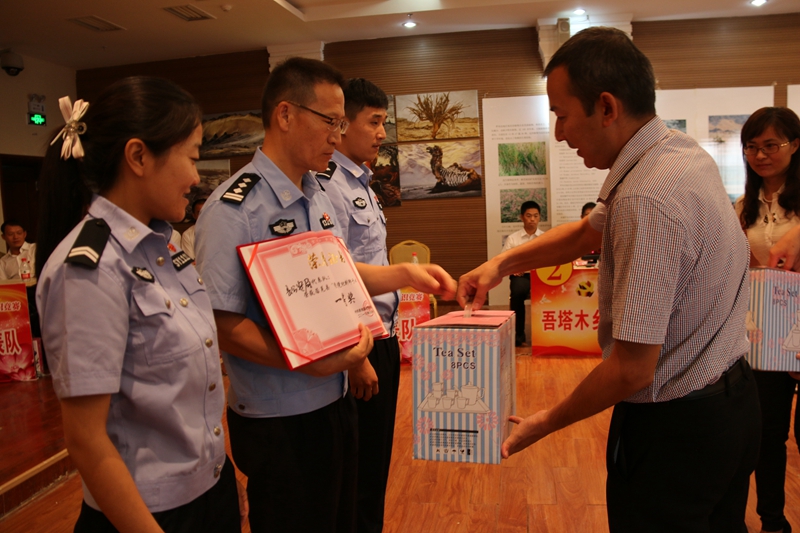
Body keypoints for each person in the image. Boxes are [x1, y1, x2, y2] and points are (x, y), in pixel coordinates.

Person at [456, 27, 759, 532]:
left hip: (677, 431)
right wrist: (501, 265)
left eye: (561, 115)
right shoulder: (674, 151)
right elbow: (586, 232)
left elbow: (633, 370)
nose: (559, 134)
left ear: (606, 107)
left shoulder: (646, 196)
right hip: (733, 403)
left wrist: (546, 421)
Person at [195, 57, 455, 533]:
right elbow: (222, 324)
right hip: (280, 414)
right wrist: (307, 361)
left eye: (341, 124)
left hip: (333, 399)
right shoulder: (234, 209)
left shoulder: (315, 194)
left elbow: (337, 275)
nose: (338, 136)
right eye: (330, 122)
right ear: (286, 115)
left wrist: (404, 274)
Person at [35, 77, 244, 533]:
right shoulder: (90, 270)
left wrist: (218, 482)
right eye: (192, 157)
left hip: (207, 492)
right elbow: (87, 442)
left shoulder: (163, 248)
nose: (197, 178)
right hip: (147, 514)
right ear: (138, 157)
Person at [316, 77, 398, 533]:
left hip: (382, 337)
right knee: (361, 471)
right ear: (344, 124)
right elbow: (333, 276)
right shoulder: (329, 186)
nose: (382, 133)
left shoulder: (362, 181)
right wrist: (354, 356)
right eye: (374, 122)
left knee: (376, 464)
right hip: (360, 344)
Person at [735, 107, 800, 533]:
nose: (761, 155)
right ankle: (773, 521)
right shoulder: (743, 207)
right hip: (769, 337)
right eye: (752, 147)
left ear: (795, 146)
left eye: (771, 145)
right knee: (767, 434)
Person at [500, 201, 543, 347]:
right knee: (517, 293)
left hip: (542, 276)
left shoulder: (545, 237)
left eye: (535, 216)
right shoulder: (513, 238)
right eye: (529, 216)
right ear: (522, 217)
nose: (532, 219)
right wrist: (514, 268)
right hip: (522, 275)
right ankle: (518, 335)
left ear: (539, 217)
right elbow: (504, 259)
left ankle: (544, 336)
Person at [0, 219, 40, 336]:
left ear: (24, 234)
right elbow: (3, 285)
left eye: (19, 233)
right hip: (16, 299)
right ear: (3, 237)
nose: (15, 237)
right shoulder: (3, 262)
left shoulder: (35, 249)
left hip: (36, 292)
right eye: (10, 234)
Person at [181, 195, 207, 260]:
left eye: (206, 212)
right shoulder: (187, 235)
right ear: (194, 215)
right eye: (199, 213)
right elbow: (190, 262)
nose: (203, 215)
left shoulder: (221, 231)